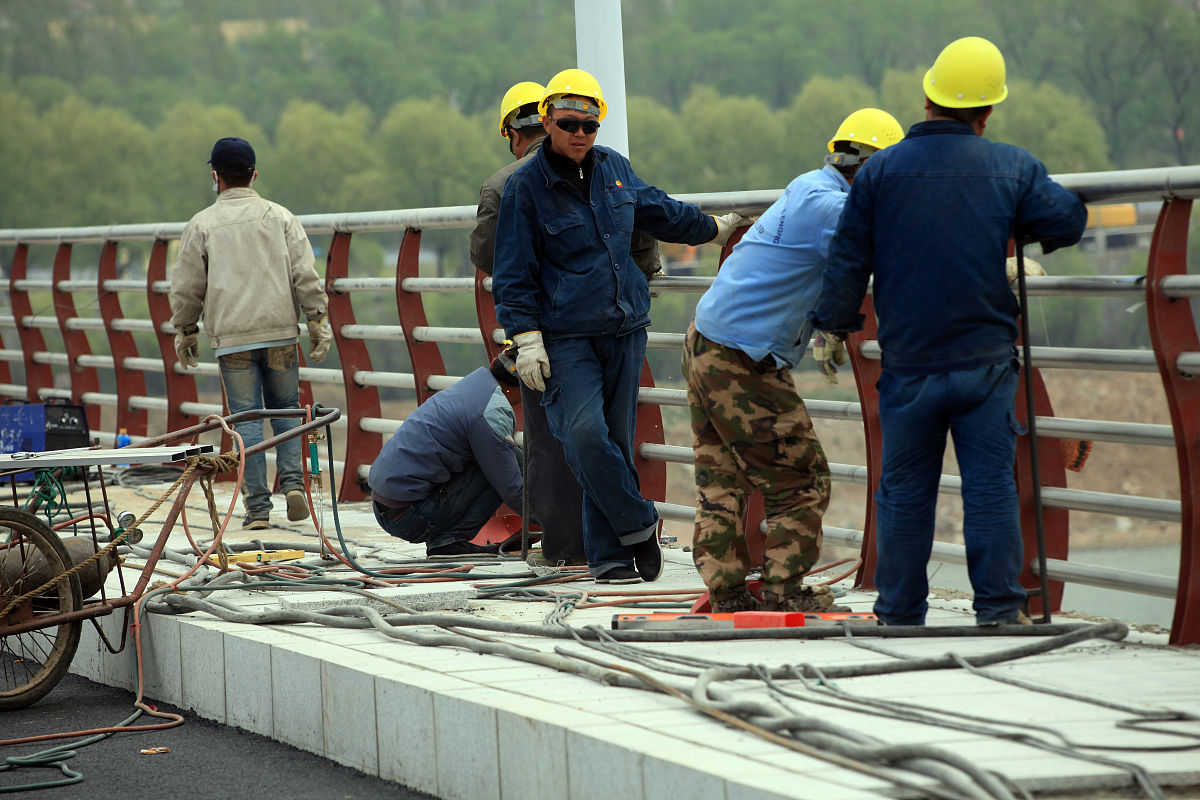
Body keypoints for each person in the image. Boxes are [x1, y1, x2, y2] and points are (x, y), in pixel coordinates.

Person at [809, 37, 1087, 626]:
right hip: (984, 361)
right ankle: (1000, 610)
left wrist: (832, 326)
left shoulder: (879, 172)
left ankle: (899, 612)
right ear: (988, 112)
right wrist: (1014, 222)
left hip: (908, 362)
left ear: (927, 98)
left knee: (905, 490)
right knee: (990, 487)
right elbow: (1066, 219)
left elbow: (847, 260)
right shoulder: (1010, 166)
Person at [492, 68, 748, 584]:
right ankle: (638, 523)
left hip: (625, 328)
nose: (580, 134)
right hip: (565, 337)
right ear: (548, 121)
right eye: (569, 124)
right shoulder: (525, 187)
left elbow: (660, 210)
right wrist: (526, 339)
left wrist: (716, 229)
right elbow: (512, 272)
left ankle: (611, 562)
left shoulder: (614, 169)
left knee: (612, 441)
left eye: (590, 125)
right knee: (584, 436)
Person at [684, 108, 904, 613]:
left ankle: (727, 593)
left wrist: (825, 322)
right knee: (802, 479)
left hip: (706, 340)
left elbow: (815, 262)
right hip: (741, 359)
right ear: (874, 168)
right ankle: (784, 591)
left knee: (721, 476)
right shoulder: (835, 208)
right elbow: (897, 249)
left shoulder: (809, 185)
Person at [470, 80, 665, 568]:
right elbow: (641, 232)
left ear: (512, 132)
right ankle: (615, 549)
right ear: (549, 120)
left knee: (555, 441)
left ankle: (567, 549)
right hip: (614, 323)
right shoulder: (601, 169)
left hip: (545, 333)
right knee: (605, 437)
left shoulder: (503, 184)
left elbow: (491, 258)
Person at [171, 137, 332, 531]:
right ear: (254, 175)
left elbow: (187, 286)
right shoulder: (281, 217)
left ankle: (258, 508)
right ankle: (293, 486)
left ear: (216, 177)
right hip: (280, 333)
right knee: (286, 411)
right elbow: (305, 274)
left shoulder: (202, 224)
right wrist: (317, 320)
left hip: (233, 340)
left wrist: (186, 329)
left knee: (246, 420)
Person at [367, 351, 526, 557]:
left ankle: (444, 542)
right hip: (408, 518)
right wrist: (555, 525)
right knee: (509, 462)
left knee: (499, 458)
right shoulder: (490, 412)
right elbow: (512, 489)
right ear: (514, 387)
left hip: (387, 507)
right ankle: (451, 540)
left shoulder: (474, 387)